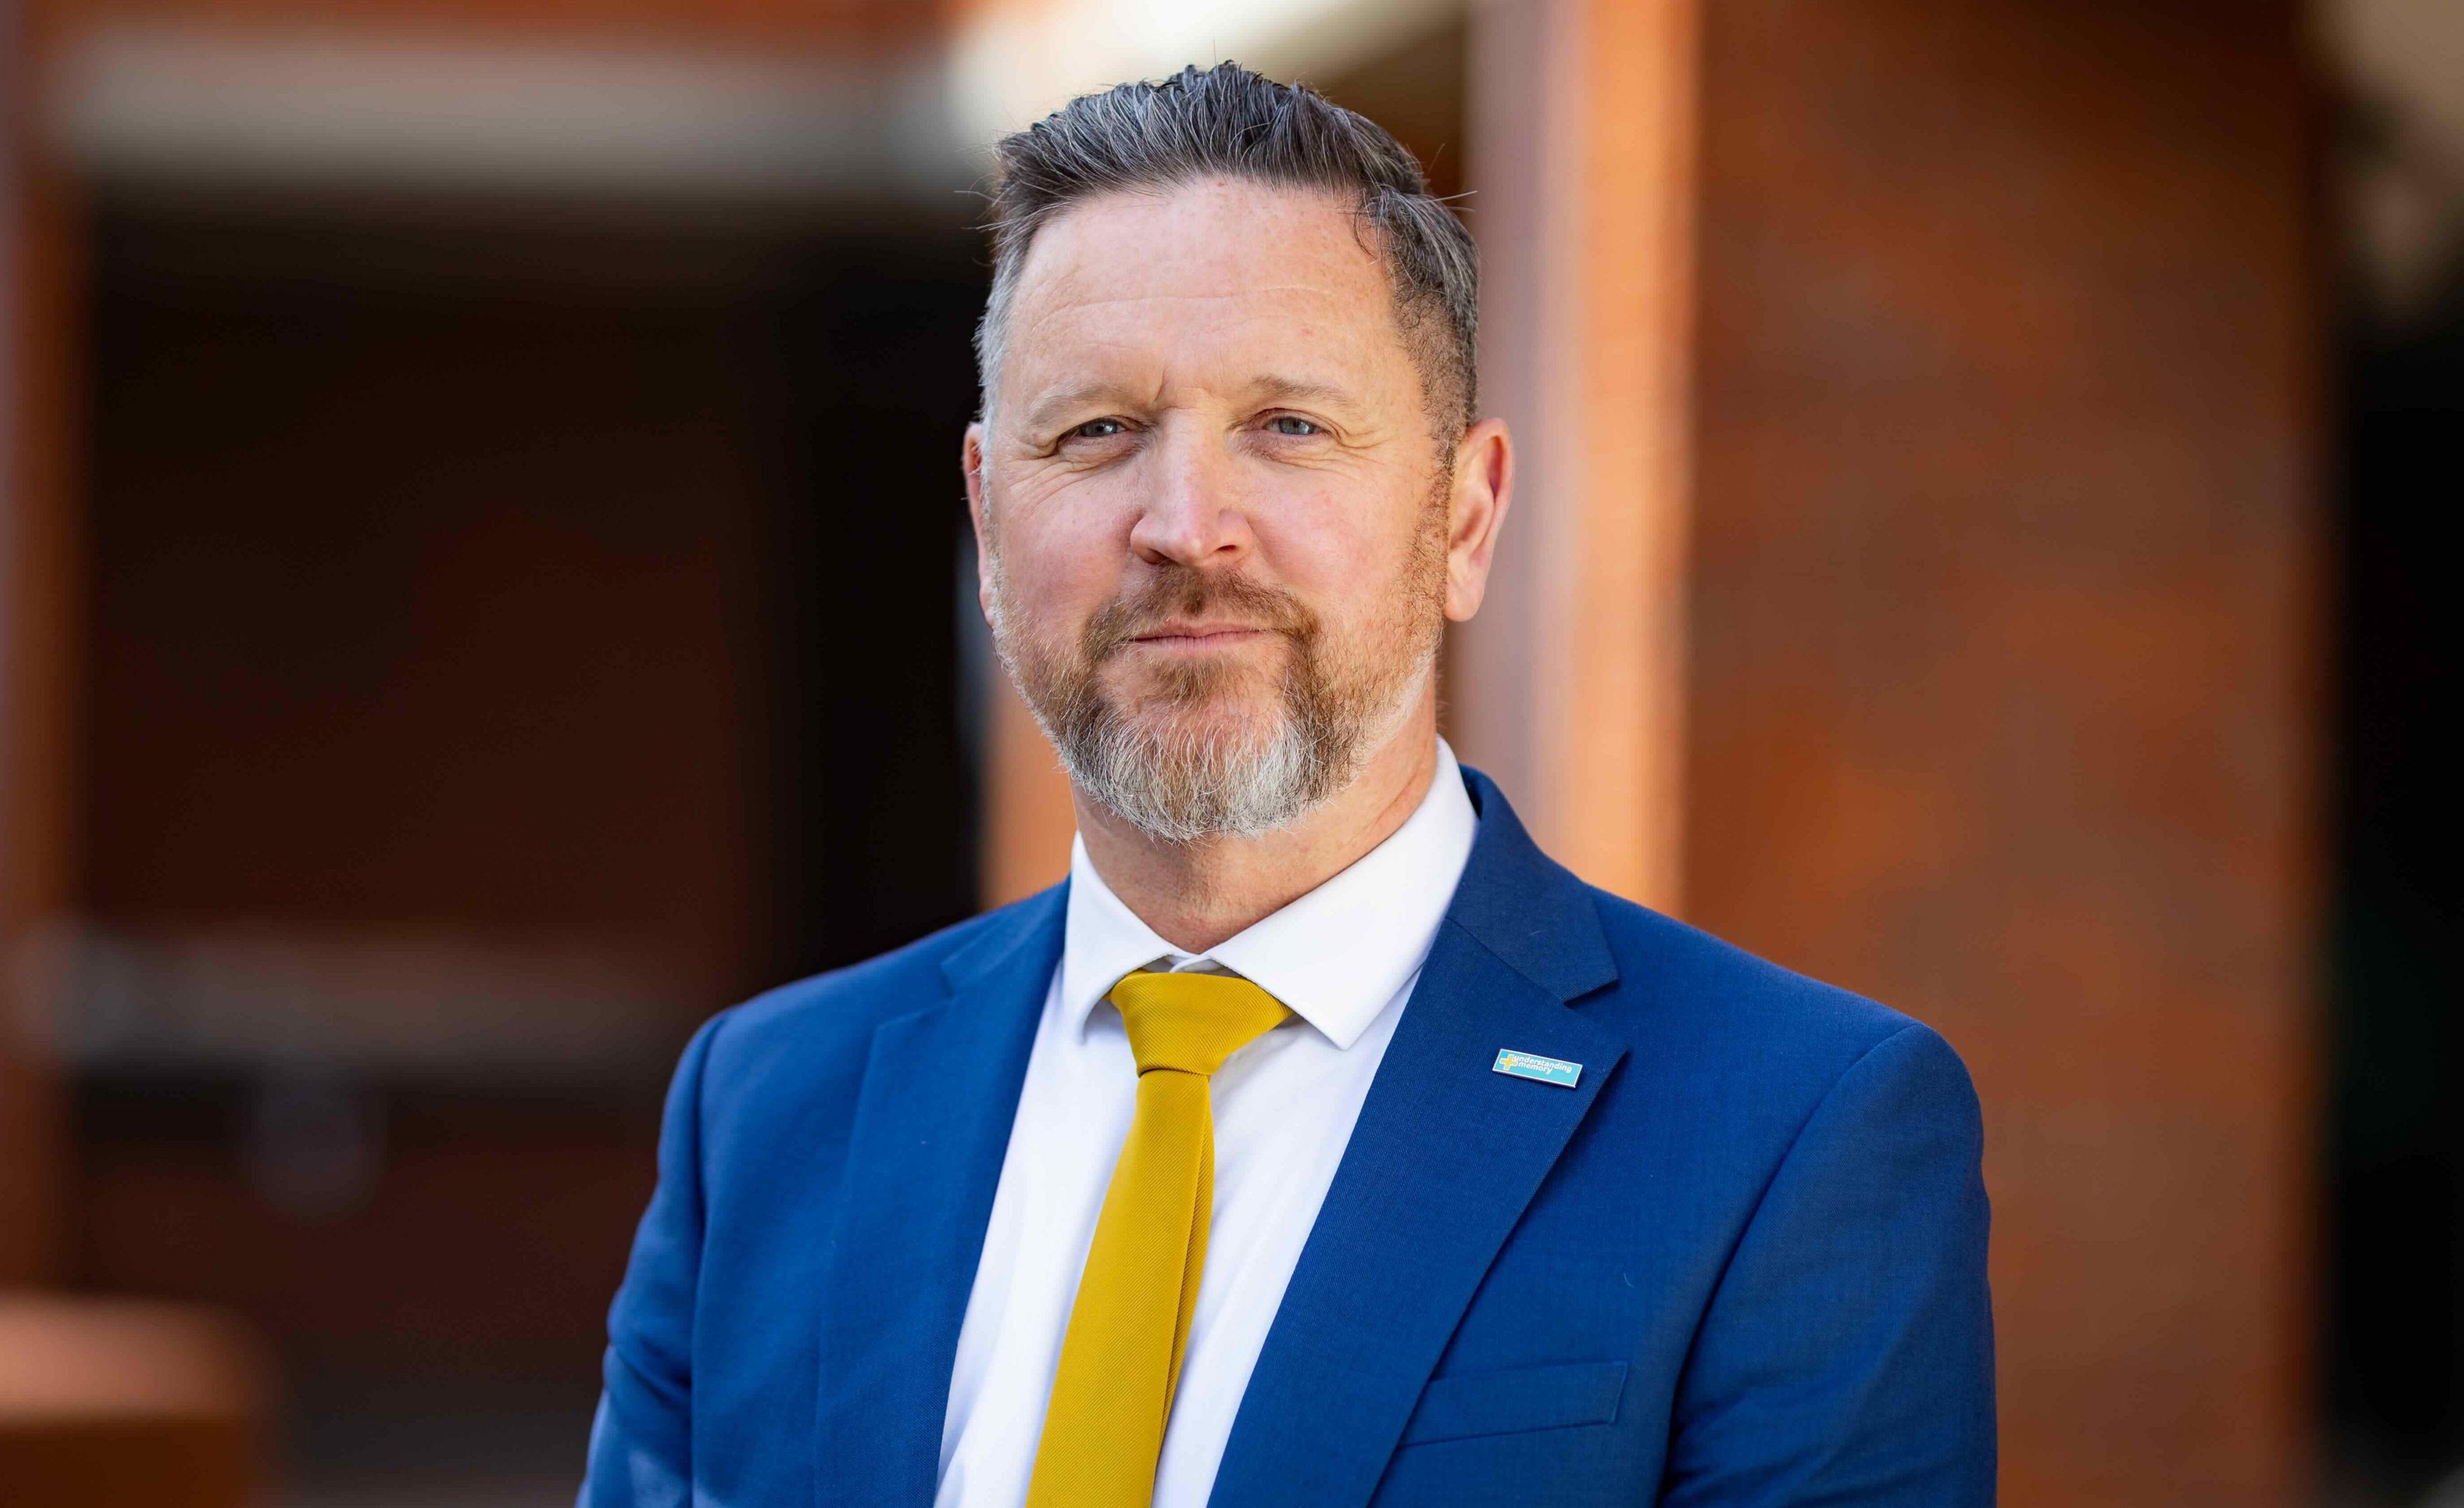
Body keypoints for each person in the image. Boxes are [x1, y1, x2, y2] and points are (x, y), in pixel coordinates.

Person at [580, 62, 1993, 1508]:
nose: (1189, 529)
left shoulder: (1794, 1134)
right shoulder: (768, 1110)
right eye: (1097, 433)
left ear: (1464, 515)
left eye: (1291, 427)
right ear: (989, 521)